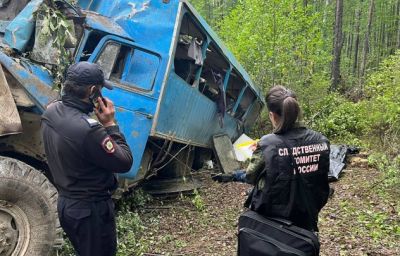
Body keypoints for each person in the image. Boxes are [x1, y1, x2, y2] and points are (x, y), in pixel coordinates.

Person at [41, 62, 133, 256]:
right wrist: (110, 124)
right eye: (99, 90)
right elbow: (124, 162)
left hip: (67, 204)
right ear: (92, 91)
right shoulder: (90, 130)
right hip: (91, 211)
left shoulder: (51, 112)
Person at [248, 85, 330, 232]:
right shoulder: (321, 141)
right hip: (307, 220)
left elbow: (251, 176)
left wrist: (259, 152)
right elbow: (321, 180)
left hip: (273, 222)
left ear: (272, 116)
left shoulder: (267, 144)